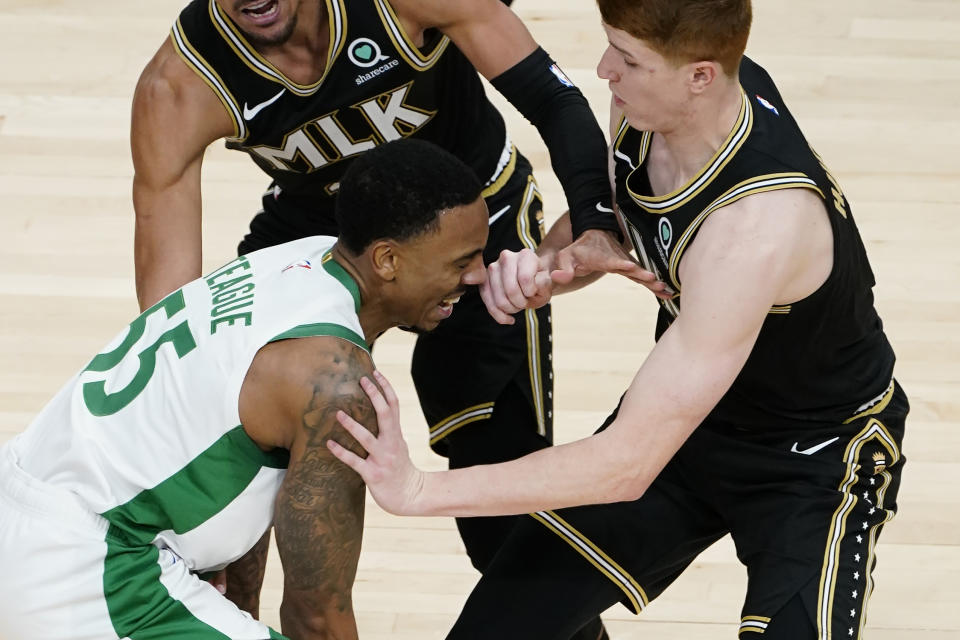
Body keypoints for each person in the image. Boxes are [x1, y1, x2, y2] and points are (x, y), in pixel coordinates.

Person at [327, 1, 909, 638]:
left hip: (814, 455)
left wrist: (418, 491)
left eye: (628, 60)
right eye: (611, 47)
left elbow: (626, 466)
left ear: (700, 76)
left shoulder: (756, 230)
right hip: (692, 417)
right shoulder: (654, 112)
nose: (604, 71)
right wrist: (555, 264)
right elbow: (624, 225)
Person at [130, 1, 643, 603]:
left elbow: (552, 99)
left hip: (472, 233)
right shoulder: (180, 84)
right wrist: (198, 455)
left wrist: (594, 218)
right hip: (328, 247)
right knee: (229, 451)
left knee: (501, 528)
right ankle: (232, 607)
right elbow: (169, 311)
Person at [0, 139, 492, 640]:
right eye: (462, 261)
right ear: (387, 260)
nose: (477, 275)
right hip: (88, 574)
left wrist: (238, 616)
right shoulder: (334, 381)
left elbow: (255, 471)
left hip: (25, 504)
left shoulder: (302, 259)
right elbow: (317, 615)